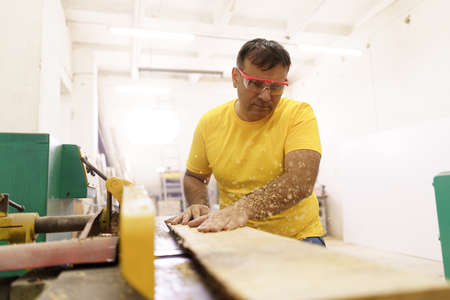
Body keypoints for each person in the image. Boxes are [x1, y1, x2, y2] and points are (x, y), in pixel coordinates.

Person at [166, 38, 325, 246]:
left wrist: (244, 208)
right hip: (236, 235)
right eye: (255, 83)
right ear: (235, 77)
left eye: (276, 87)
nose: (266, 96)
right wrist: (199, 205)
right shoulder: (210, 123)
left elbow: (300, 181)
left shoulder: (298, 114)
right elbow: (195, 177)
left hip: (298, 237)